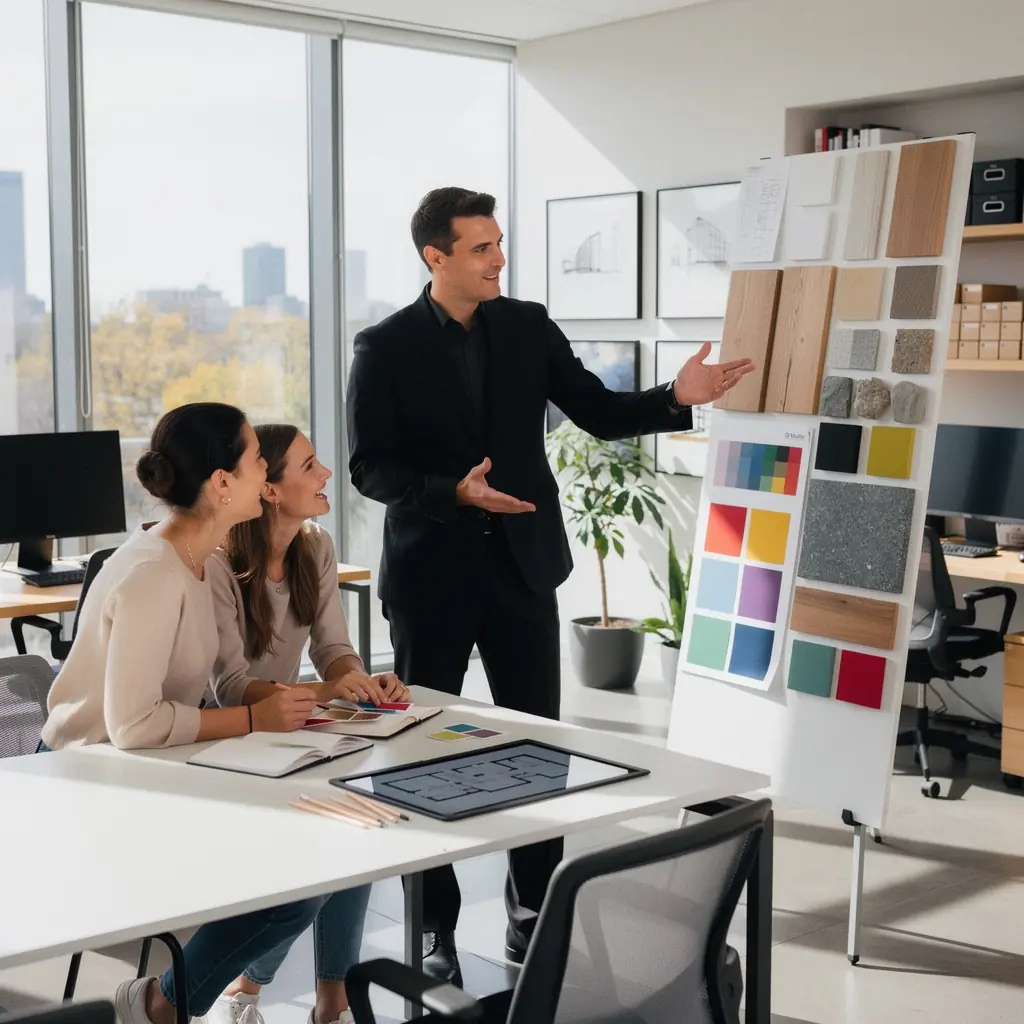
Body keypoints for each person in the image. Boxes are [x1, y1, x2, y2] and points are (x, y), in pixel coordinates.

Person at [345, 186, 755, 982]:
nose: (499, 258)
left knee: (540, 746)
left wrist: (677, 397)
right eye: (481, 247)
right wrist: (453, 492)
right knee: (418, 751)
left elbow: (596, 411)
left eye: (499, 243)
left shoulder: (527, 325)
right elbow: (370, 467)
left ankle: (533, 910)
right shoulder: (383, 346)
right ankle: (431, 924)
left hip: (524, 567)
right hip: (431, 575)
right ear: (435, 257)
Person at [40, 402, 325, 1024]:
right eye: (257, 460)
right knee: (291, 889)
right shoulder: (153, 573)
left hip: (143, 771)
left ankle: (170, 1003)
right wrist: (254, 721)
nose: (265, 474)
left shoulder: (201, 560)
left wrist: (274, 707)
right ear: (222, 483)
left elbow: (213, 689)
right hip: (82, 786)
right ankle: (159, 1005)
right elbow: (134, 725)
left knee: (318, 856)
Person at [205, 423, 410, 1024]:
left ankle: (329, 1004)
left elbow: (333, 648)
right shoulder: (219, 563)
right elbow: (229, 685)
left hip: (287, 730)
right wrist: (326, 690)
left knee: (360, 822)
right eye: (310, 465)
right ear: (268, 488)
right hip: (224, 738)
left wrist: (361, 680)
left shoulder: (315, 546)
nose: (326, 475)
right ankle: (243, 992)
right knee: (325, 846)